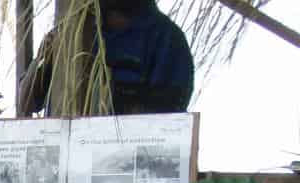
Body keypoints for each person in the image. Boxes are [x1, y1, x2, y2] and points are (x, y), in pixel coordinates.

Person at [18, 0, 194, 117]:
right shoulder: (71, 35)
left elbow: (169, 118)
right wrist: (42, 57)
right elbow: (25, 105)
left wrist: (105, 96)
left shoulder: (166, 38)